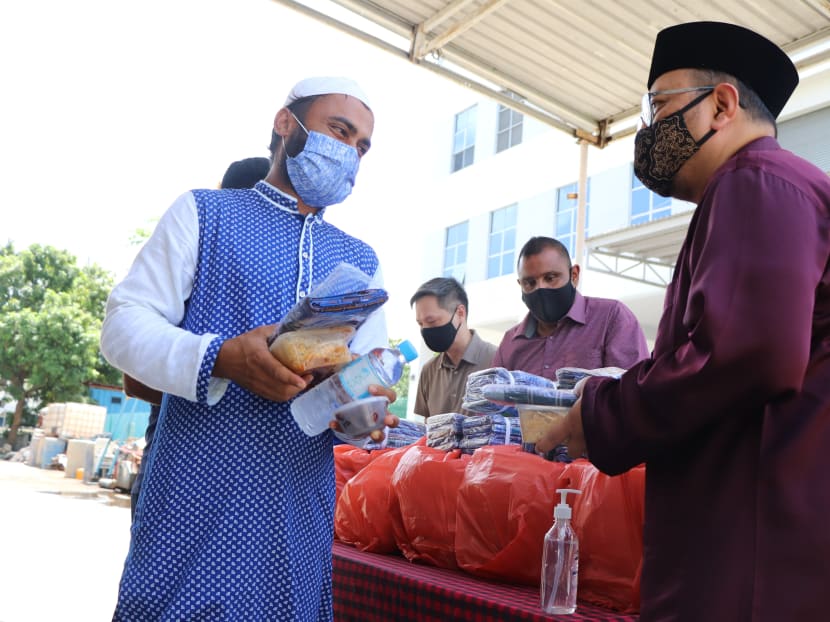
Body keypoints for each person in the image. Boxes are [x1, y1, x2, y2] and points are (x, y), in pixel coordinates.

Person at [538, 21, 830, 621]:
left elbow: (744, 351)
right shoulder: (760, 189)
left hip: (754, 542)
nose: (648, 133)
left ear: (722, 105)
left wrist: (601, 412)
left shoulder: (757, 182)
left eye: (660, 107)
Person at [100, 76, 398, 621]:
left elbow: (364, 382)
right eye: (339, 130)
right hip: (194, 499)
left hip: (296, 511)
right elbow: (124, 325)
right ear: (286, 123)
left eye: (362, 146)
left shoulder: (359, 259)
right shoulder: (203, 213)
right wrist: (221, 358)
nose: (350, 152)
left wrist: (362, 409)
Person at [124, 155, 272, 519]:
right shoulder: (190, 267)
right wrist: (224, 373)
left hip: (254, 476)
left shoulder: (280, 288)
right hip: (176, 463)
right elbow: (135, 382)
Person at [493, 236, 648, 380]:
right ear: (520, 285)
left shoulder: (611, 318)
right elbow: (490, 405)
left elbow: (633, 392)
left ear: (574, 275)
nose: (540, 288)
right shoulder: (510, 344)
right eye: (530, 282)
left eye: (550, 278)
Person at [410, 277, 497, 418]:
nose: (426, 329)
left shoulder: (497, 361)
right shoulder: (429, 371)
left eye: (431, 321)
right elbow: (427, 431)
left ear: (460, 313)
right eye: (420, 324)